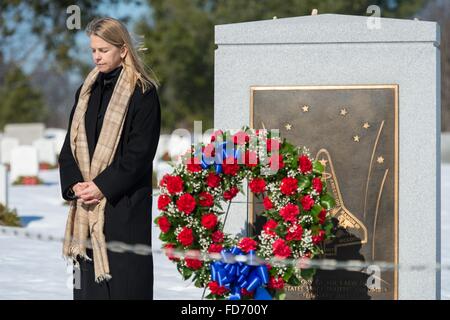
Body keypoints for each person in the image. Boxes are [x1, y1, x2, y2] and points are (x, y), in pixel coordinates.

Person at [58, 17, 161, 300]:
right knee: (88, 290)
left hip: (123, 207)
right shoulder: (86, 92)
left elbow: (139, 154)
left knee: (125, 288)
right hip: (86, 207)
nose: (96, 56)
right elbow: (70, 147)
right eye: (93, 50)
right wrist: (75, 185)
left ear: (123, 49)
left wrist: (102, 185)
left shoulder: (143, 93)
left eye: (103, 50)